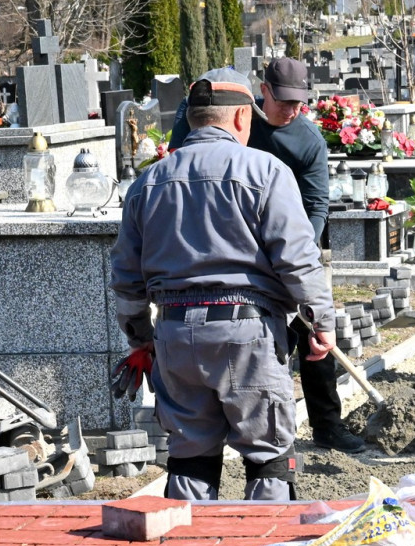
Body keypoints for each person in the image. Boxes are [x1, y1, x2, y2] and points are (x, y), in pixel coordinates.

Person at [110, 71, 337, 500]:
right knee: (269, 459)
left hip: (175, 334)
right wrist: (320, 321)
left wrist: (141, 339)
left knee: (189, 460)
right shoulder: (266, 171)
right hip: (246, 334)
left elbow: (126, 279)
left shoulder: (148, 183)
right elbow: (298, 257)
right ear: (238, 118)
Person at [171, 61, 366, 455]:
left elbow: (315, 204)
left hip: (286, 244)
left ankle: (327, 424)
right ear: (264, 92)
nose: (292, 110)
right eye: (284, 101)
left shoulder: (308, 141)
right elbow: (183, 155)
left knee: (315, 330)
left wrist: (294, 251)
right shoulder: (235, 116)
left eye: (300, 103)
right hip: (228, 244)